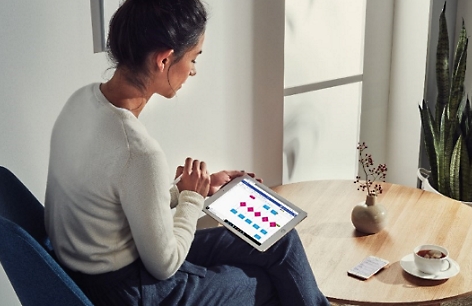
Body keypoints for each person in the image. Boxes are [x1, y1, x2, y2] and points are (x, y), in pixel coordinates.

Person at [44, 0, 329, 305]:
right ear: (164, 60)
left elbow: (111, 200)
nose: (193, 71)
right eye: (194, 58)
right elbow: (164, 264)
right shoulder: (138, 152)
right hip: (131, 290)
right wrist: (192, 199)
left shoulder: (80, 102)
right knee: (265, 281)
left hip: (87, 273)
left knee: (278, 240)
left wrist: (185, 189)